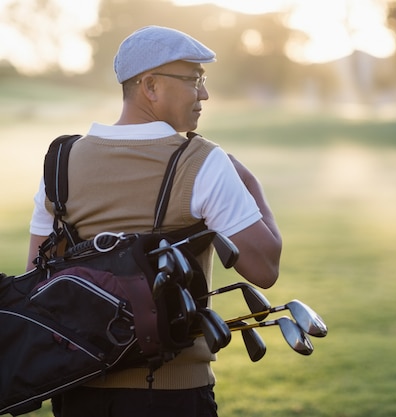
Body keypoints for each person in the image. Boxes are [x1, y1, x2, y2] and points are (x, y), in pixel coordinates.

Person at [26, 25, 282, 417]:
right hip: (172, 393)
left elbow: (35, 279)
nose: (204, 94)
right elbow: (264, 267)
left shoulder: (59, 162)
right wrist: (251, 182)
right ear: (150, 85)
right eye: (194, 79)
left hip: (77, 392)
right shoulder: (203, 162)